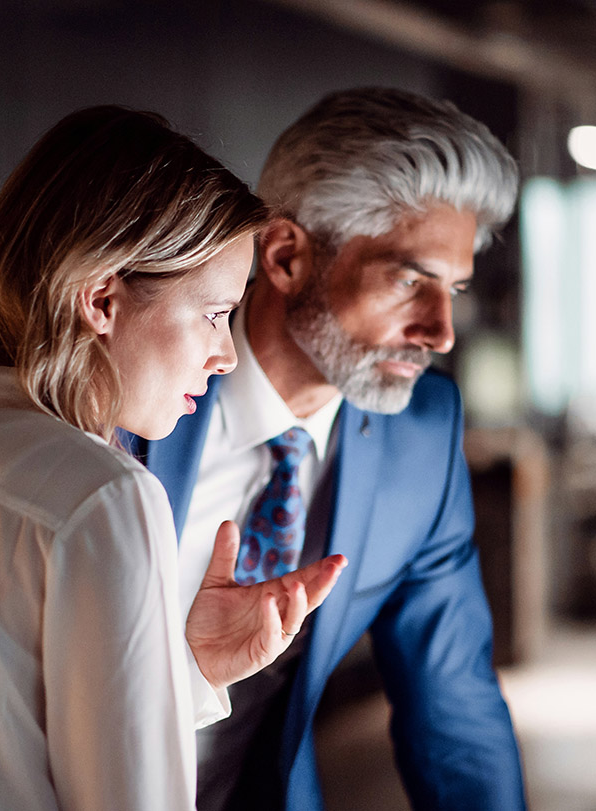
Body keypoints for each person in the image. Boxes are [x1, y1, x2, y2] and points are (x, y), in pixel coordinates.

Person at [0, 105, 346, 811]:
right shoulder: (101, 495)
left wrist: (180, 670)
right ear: (102, 298)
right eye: (215, 313)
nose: (225, 356)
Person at [126, 87, 527, 810]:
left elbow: (454, 707)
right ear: (285, 256)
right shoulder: (126, 387)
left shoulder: (421, 433)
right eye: (410, 282)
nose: (441, 333)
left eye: (454, 289)